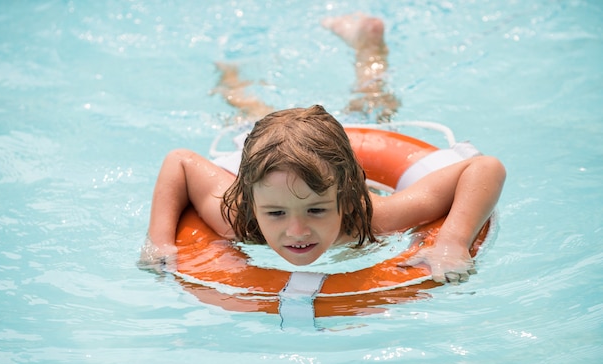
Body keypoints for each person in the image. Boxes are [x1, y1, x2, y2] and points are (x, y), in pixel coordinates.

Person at [138, 13, 506, 283]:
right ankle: (229, 71)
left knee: (374, 108)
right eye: (277, 214)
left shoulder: (378, 217)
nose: (297, 230)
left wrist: (452, 241)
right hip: (269, 158)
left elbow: (486, 168)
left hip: (334, 155)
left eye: (315, 209)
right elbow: (180, 162)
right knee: (244, 111)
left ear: (347, 197)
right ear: (250, 203)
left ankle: (369, 46)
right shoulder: (235, 217)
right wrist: (159, 241)